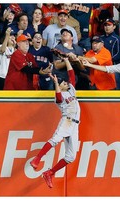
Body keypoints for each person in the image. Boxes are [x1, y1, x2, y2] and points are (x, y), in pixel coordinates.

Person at [30, 57, 80, 189]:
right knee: (55, 140)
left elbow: (71, 74)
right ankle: (37, 159)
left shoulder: (71, 91)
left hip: (75, 126)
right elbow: (58, 96)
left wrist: (67, 60)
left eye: (65, 82)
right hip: (67, 121)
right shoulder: (60, 96)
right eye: (63, 83)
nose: (66, 83)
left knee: (71, 157)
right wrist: (56, 83)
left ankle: (50, 172)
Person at [101, 18, 120, 90]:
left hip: (115, 66)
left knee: (116, 86)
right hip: (102, 66)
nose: (107, 27)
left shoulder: (117, 39)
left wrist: (107, 59)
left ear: (114, 26)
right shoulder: (100, 38)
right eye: (105, 25)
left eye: (109, 25)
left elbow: (119, 54)